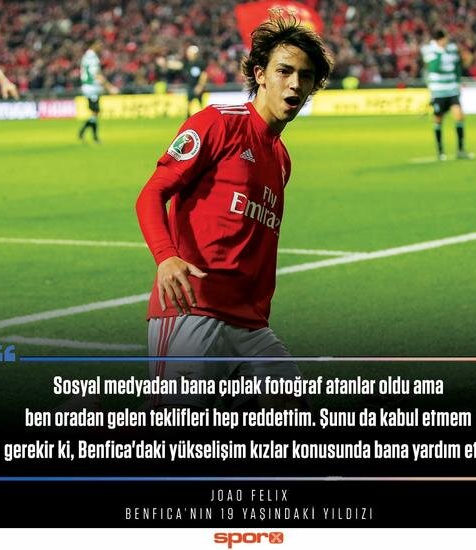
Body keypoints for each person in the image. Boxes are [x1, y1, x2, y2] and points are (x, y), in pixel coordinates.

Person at [136, 12, 333, 410]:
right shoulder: (217, 124)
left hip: (250, 324)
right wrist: (165, 256)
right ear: (260, 75)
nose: (295, 84)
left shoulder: (281, 160)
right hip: (194, 310)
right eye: (284, 71)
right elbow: (151, 194)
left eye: (306, 76)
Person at [421, 29, 473, 160]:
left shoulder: (452, 49)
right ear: (439, 40)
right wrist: (440, 53)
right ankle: (440, 152)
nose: (446, 41)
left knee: (459, 117)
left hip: (452, 90)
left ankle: (460, 150)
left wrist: (458, 81)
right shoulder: (430, 51)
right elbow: (433, 68)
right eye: (445, 39)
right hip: (438, 91)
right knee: (438, 120)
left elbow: (457, 66)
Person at [78, 40, 119, 143]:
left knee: (95, 112)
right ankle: (92, 136)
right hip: (91, 87)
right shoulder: (92, 58)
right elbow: (96, 75)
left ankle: (86, 134)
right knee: (95, 111)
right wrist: (110, 87)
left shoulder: (86, 56)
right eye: (99, 44)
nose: (101, 46)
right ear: (93, 45)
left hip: (89, 87)